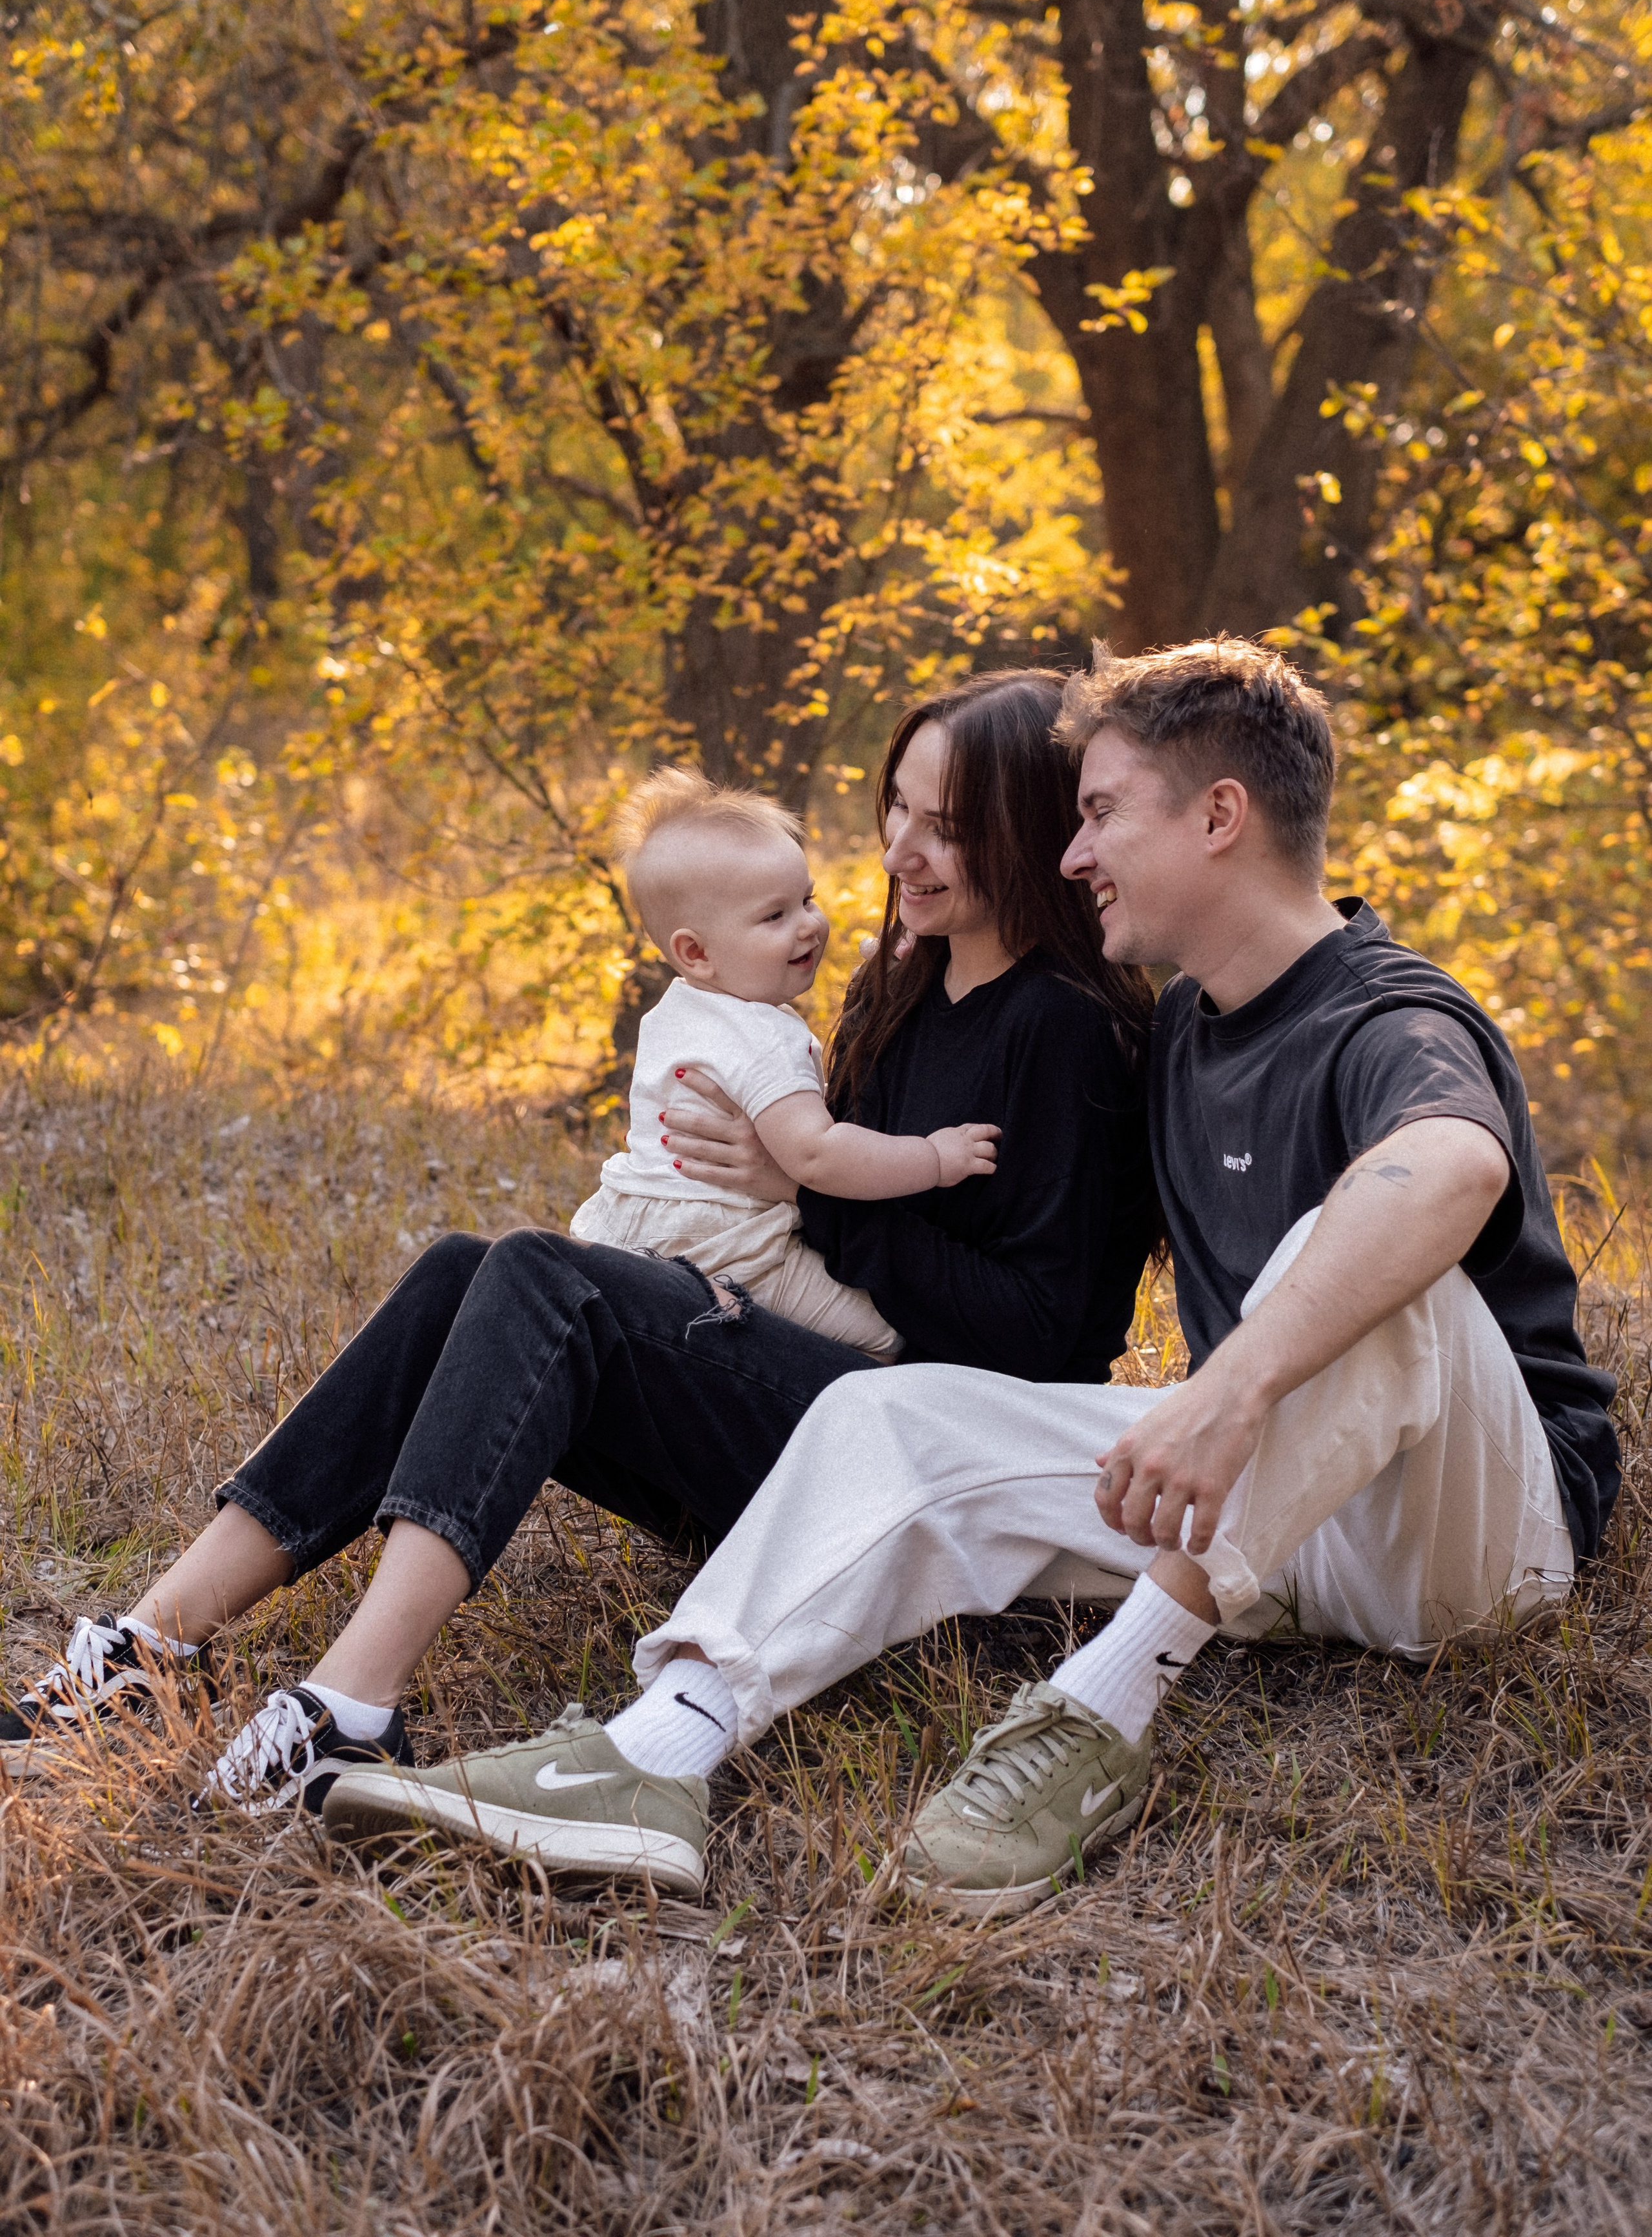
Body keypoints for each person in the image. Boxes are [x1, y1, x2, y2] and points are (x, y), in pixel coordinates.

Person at [323, 637, 1619, 1917]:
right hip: (1269, 1528)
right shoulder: (1177, 1035)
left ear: (1218, 815)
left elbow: (1447, 1168)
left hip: (1472, 1535)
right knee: (885, 1411)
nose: (1071, 852)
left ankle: (1094, 1710)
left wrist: (1231, 1385)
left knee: (1356, 1262)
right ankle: (652, 1752)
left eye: (1101, 812)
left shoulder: (1389, 1014)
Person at [0, 670, 1156, 1832]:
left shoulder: (1065, 1032)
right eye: (896, 806)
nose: (902, 847)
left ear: (1029, 833)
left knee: (549, 1280)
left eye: (947, 828)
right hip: (809, 1393)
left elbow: (1041, 1344)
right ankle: (153, 1641)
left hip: (919, 1470)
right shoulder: (902, 984)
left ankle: (350, 1705)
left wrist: (810, 1201)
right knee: (473, 1264)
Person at [568, 763, 1001, 1360]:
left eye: (807, 900)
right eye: (775, 917)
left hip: (635, 1227)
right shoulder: (764, 1036)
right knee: (891, 1335)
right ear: (695, 952)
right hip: (729, 1244)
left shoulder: (677, 1014)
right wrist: (932, 1157)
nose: (809, 928)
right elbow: (817, 1156)